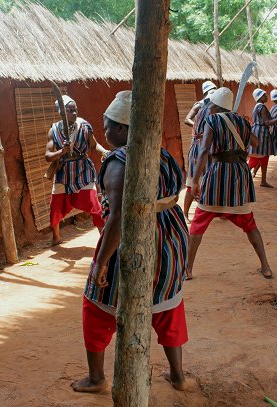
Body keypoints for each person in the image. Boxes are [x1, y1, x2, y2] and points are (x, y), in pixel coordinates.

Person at [72, 91, 189, 393]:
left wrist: (101, 262)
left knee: (97, 305)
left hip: (139, 238)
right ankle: (177, 376)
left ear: (123, 129)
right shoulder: (159, 152)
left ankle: (96, 378)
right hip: (170, 239)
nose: (104, 131)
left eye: (108, 126)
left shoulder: (119, 162)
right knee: (166, 306)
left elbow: (119, 218)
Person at [187, 87, 272, 280]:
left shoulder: (212, 120)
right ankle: (265, 266)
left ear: (215, 106)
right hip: (240, 175)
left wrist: (195, 181)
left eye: (211, 106)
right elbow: (256, 143)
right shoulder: (242, 120)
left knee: (198, 225)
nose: (208, 109)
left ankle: (188, 269)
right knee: (250, 224)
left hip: (218, 176)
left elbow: (203, 152)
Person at [45, 95, 107, 245]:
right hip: (63, 173)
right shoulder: (53, 130)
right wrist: (61, 152)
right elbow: (48, 156)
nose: (74, 113)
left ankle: (103, 238)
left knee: (95, 205)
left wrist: (104, 151)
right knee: (55, 206)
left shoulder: (84, 126)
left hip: (83, 171)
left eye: (75, 110)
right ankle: (56, 237)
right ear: (61, 112)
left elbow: (93, 145)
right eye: (70, 110)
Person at [182, 81, 217, 220]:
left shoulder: (215, 106)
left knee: (209, 179)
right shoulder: (200, 105)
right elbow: (187, 119)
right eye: (211, 90)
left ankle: (215, 211)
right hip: (198, 146)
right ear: (206, 92)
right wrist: (199, 128)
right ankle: (185, 213)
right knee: (193, 181)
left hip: (210, 147)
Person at [248, 88, 277, 188]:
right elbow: (267, 122)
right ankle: (242, 177)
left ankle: (263, 181)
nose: (266, 97)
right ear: (260, 97)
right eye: (264, 95)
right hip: (260, 133)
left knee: (264, 157)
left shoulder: (259, 106)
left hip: (261, 132)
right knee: (256, 157)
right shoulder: (262, 107)